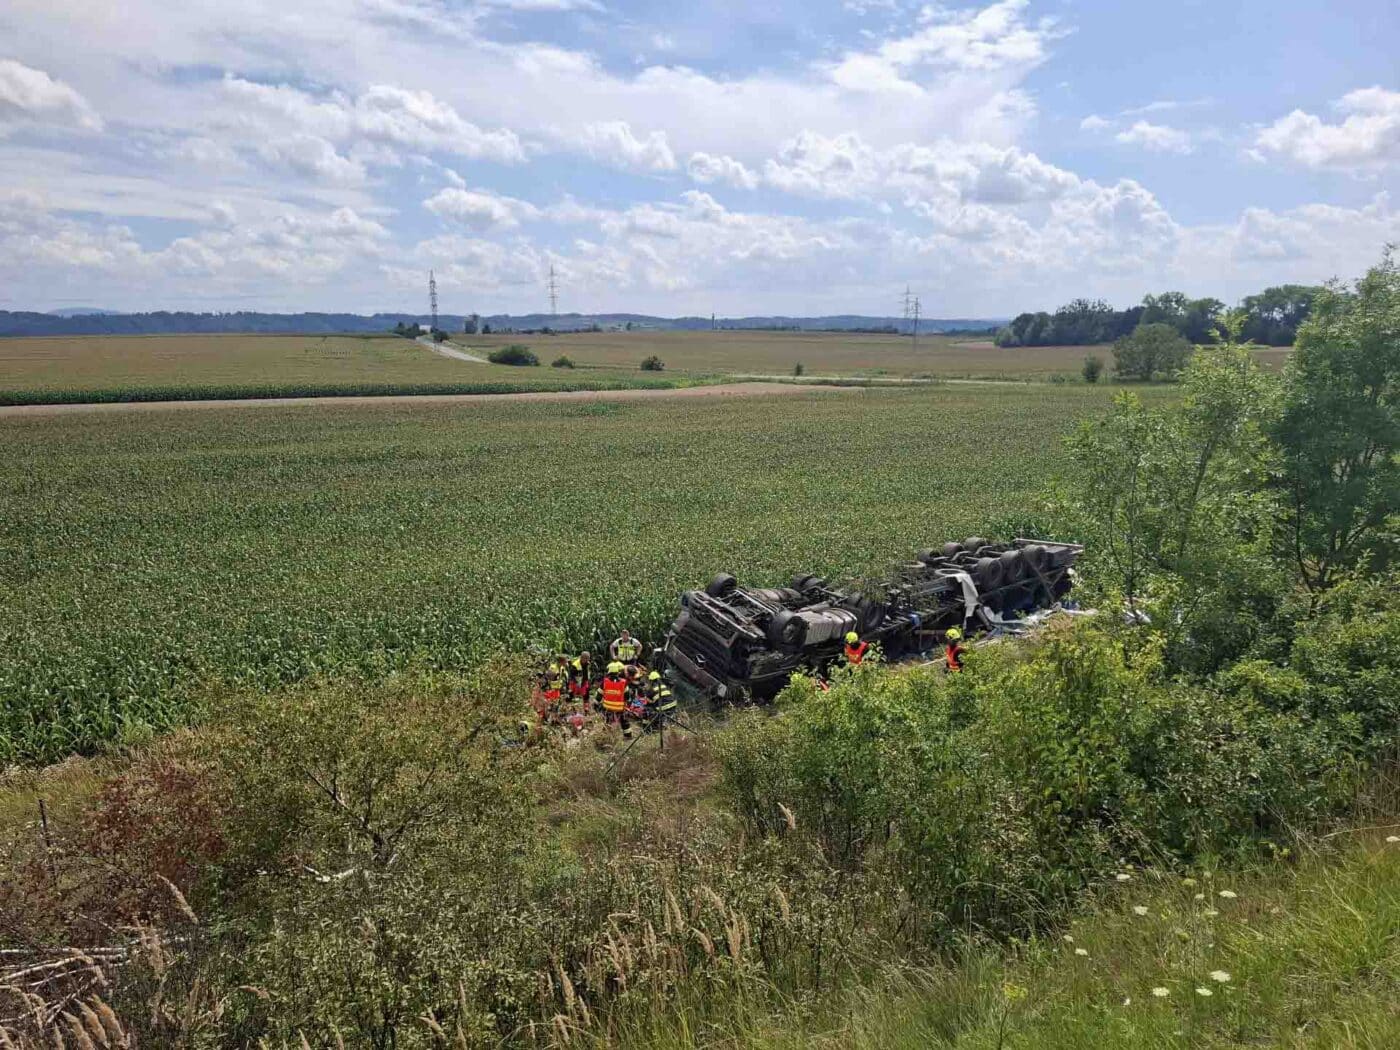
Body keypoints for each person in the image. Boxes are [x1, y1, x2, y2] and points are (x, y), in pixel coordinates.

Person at [599, 660, 632, 737]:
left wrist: (596, 704)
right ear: (618, 672)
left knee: (607, 721)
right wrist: (628, 706)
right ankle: (628, 736)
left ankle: (605, 736)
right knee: (624, 721)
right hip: (620, 708)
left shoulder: (605, 681)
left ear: (609, 672)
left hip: (608, 707)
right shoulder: (624, 682)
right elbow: (627, 697)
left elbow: (599, 695)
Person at [537, 657, 567, 722]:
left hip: (557, 689)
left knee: (556, 705)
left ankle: (553, 718)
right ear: (561, 662)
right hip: (551, 689)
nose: (566, 663)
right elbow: (548, 677)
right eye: (565, 661)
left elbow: (561, 678)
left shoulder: (562, 668)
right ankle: (544, 718)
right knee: (548, 704)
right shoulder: (553, 668)